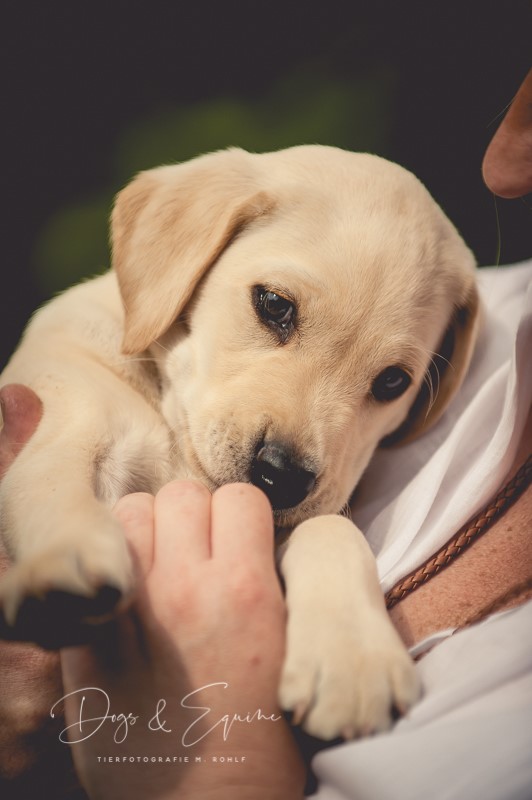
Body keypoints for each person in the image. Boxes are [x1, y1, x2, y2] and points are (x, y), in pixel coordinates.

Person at [0, 69, 531, 799]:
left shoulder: (473, 320)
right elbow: (50, 449)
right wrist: (59, 540)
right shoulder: (85, 342)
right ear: (194, 245)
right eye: (277, 308)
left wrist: (333, 573)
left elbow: (285, 543)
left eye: (388, 384)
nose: (297, 449)